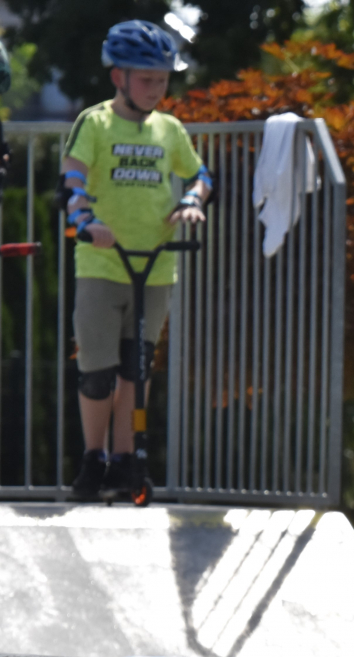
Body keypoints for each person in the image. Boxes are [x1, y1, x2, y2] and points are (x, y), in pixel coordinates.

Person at [58, 21, 211, 502]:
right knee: (97, 370)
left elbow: (200, 174)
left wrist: (192, 201)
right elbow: (72, 179)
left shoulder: (169, 129)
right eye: (147, 79)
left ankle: (125, 461)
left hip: (155, 265)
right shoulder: (95, 123)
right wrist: (85, 218)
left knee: (135, 370)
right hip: (103, 264)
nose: (156, 89)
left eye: (162, 80)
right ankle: (94, 458)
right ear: (118, 77)